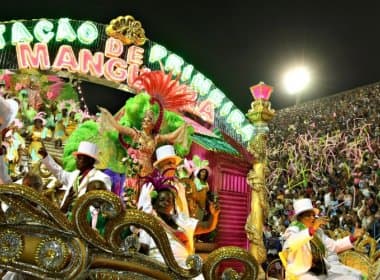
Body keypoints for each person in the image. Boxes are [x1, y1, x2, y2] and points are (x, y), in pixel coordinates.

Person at [137, 145, 220, 277]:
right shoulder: (149, 187)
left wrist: (186, 232)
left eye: (173, 163)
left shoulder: (179, 186)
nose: (172, 166)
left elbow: (184, 212)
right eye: (168, 163)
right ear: (160, 166)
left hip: (181, 238)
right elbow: (143, 216)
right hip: (156, 241)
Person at [281, 198, 365, 280]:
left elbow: (334, 246)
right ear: (300, 219)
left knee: (355, 277)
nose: (313, 218)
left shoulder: (318, 232)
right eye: (308, 216)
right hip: (302, 273)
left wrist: (353, 237)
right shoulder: (292, 230)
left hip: (322, 270)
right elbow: (291, 244)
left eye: (313, 215)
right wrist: (311, 230)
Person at [98, 107, 188, 177]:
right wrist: (108, 115)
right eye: (144, 120)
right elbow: (119, 127)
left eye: (148, 121)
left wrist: (183, 127)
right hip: (135, 170)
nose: (145, 122)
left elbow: (171, 136)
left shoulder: (156, 138)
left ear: (152, 125)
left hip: (149, 171)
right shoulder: (136, 134)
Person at [38, 141, 112, 214]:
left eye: (80, 158)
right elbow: (60, 173)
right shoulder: (75, 174)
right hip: (65, 218)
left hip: (83, 222)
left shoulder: (102, 178)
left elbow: (102, 206)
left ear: (89, 160)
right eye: (77, 158)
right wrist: (46, 157)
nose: (76, 160)